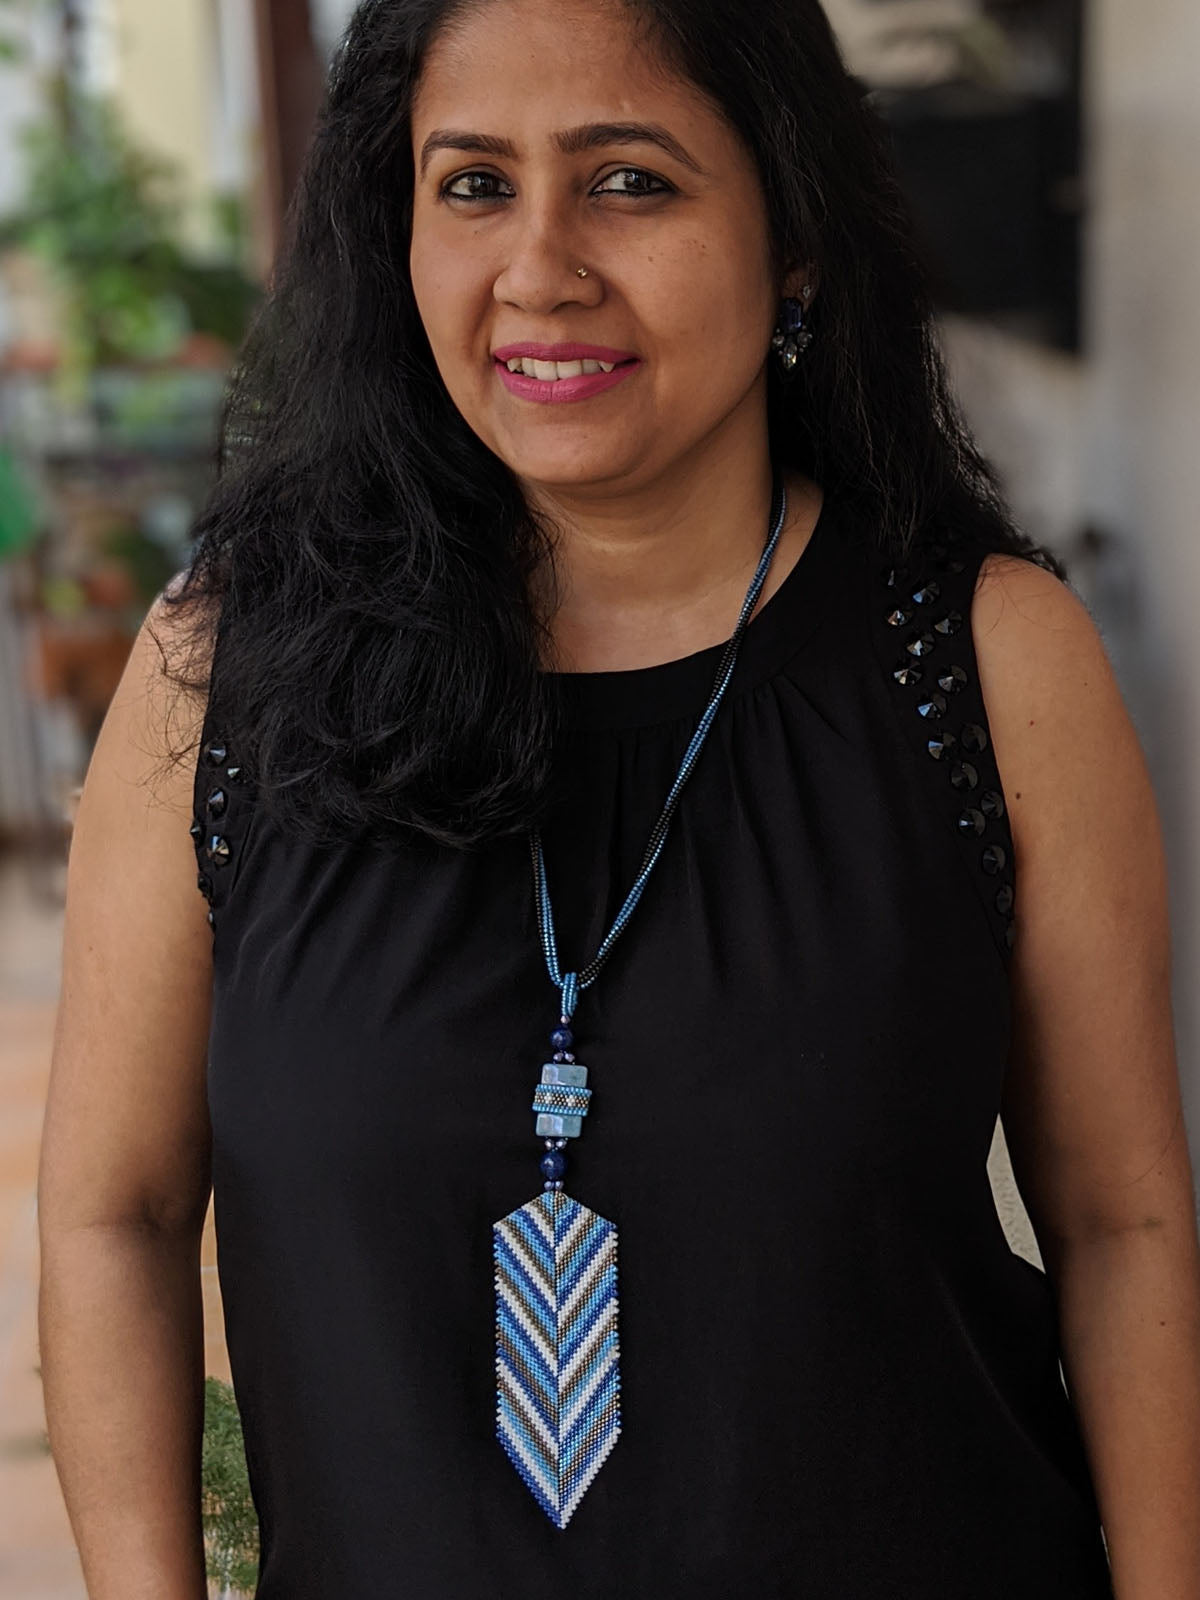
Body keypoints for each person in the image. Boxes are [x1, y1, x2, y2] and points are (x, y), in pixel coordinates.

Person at [36, 0, 1200, 1596]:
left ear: (794, 241)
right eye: (471, 184)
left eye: (631, 180)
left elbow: (1122, 1223)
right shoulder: (223, 675)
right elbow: (115, 1210)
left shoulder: (984, 659)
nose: (540, 268)